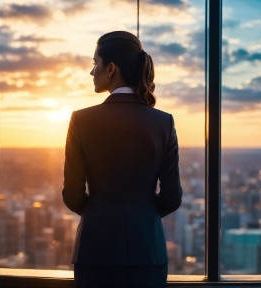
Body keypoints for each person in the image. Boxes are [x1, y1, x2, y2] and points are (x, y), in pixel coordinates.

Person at [62, 31, 183, 288]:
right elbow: (172, 197)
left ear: (111, 68)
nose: (91, 71)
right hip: (148, 254)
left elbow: (73, 195)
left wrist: (100, 214)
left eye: (95, 63)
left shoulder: (82, 121)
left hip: (95, 252)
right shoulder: (163, 122)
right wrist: (142, 215)